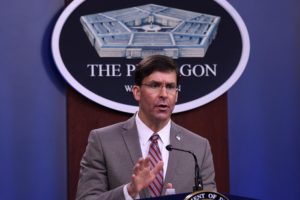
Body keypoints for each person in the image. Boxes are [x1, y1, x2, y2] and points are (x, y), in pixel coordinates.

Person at [76, 55, 217, 200]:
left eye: (170, 87)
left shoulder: (198, 147)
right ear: (137, 92)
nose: (163, 94)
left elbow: (209, 197)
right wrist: (129, 191)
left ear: (176, 95)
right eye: (154, 85)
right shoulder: (103, 141)